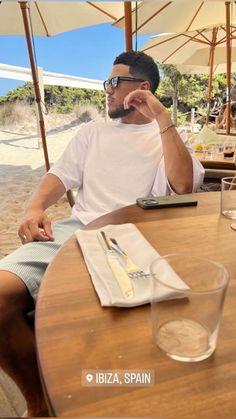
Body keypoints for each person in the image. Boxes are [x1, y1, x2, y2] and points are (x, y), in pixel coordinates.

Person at [0, 51, 204, 417]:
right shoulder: (92, 132)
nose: (106, 90)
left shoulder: (166, 135)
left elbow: (184, 184)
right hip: (76, 231)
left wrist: (161, 115)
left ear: (141, 89)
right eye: (105, 82)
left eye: (113, 82)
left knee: (110, 324)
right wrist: (34, 207)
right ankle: (39, 403)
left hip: (137, 241)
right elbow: (59, 176)